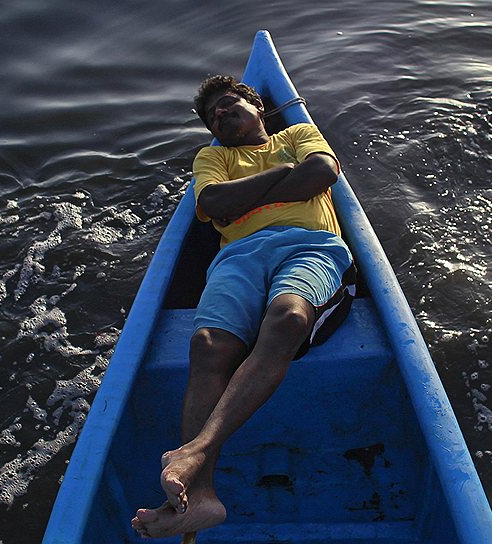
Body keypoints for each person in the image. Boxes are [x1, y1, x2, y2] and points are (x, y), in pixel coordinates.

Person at [131, 75, 356, 541]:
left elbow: (320, 173)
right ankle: (204, 497)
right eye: (213, 114)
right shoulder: (212, 156)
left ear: (258, 107)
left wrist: (246, 196)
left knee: (289, 317)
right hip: (238, 257)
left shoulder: (295, 134)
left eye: (230, 104)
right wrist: (280, 177)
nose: (221, 114)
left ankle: (196, 451)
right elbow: (213, 201)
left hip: (309, 246)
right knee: (208, 345)